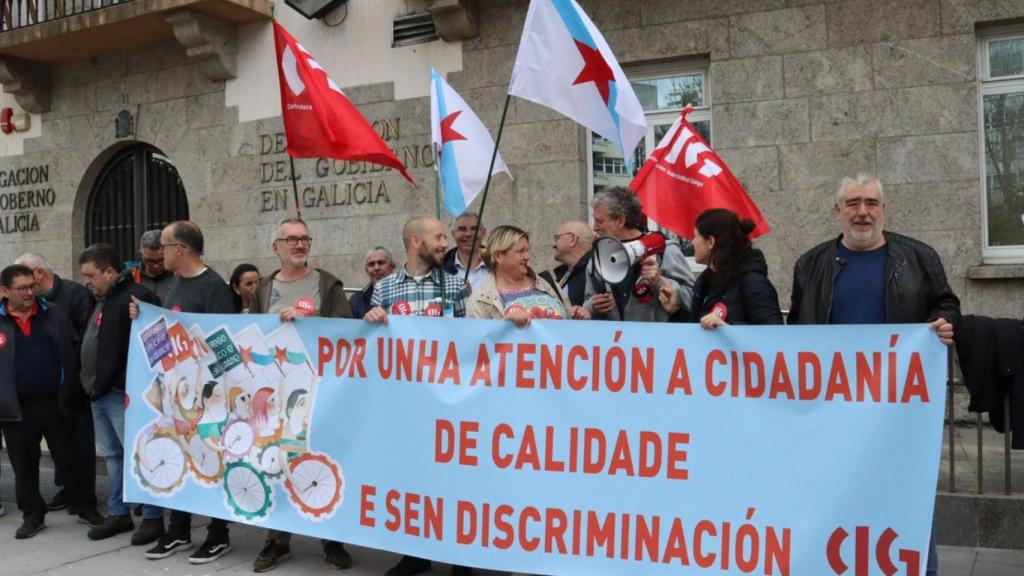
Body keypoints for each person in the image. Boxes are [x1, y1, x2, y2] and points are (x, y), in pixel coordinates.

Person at [789, 174, 959, 576]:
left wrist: (947, 322)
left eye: (871, 203)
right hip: (831, 409)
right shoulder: (810, 265)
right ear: (837, 211)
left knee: (909, 495)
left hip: (898, 412)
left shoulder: (919, 257)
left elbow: (946, 303)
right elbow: (795, 331)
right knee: (835, 494)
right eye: (852, 203)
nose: (862, 212)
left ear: (884, 209)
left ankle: (919, 569)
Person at [365, 216, 472, 576]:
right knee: (411, 479)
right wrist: (373, 318)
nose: (446, 243)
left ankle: (461, 560)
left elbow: (468, 345)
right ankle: (415, 555)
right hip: (405, 405)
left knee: (453, 482)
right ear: (415, 241)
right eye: (439, 237)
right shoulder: (386, 289)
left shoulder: (457, 286)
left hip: (446, 401)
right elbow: (376, 346)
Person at [249, 218, 353, 572]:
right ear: (275, 246)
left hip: (319, 393)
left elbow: (346, 330)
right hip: (275, 394)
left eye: (304, 238)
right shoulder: (263, 288)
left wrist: (308, 325)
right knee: (276, 464)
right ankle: (276, 542)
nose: (299, 244)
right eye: (291, 239)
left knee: (321, 464)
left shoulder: (326, 284)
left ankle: (332, 539)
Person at [129, 220, 236, 564]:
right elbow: (166, 326)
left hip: (209, 396)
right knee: (180, 458)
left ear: (180, 249)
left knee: (212, 462)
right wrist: (141, 316)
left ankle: (218, 535)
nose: (159, 252)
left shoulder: (214, 287)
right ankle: (178, 531)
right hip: (177, 393)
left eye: (164, 245)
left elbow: (224, 342)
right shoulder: (174, 284)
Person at [0, 265, 102, 539]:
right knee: (24, 464)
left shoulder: (53, 312)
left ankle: (85, 507)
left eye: (32, 286)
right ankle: (33, 515)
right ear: (4, 291)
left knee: (70, 458)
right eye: (22, 288)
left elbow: (73, 347)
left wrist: (73, 390)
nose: (29, 292)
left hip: (56, 402)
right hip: (16, 408)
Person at [76, 244, 166, 543]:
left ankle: (152, 517)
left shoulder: (136, 297)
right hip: (99, 393)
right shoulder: (100, 300)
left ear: (110, 271)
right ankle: (119, 513)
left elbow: (156, 338)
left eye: (91, 275)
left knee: (139, 454)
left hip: (121, 394)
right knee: (115, 456)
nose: (86, 281)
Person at [583, 187, 695, 322]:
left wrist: (660, 282)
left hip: (655, 342)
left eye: (599, 221)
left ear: (620, 221)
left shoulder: (664, 250)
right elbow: (588, 301)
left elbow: (692, 298)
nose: (595, 227)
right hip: (615, 342)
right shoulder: (598, 257)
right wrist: (591, 307)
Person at [663, 208, 783, 328]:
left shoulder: (753, 282)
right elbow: (698, 329)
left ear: (710, 242)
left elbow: (774, 336)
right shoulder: (705, 282)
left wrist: (727, 328)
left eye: (695, 236)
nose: (692, 242)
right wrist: (676, 311)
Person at [468, 225, 589, 324]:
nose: (528, 257)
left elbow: (569, 326)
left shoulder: (547, 282)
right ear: (498, 256)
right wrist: (504, 326)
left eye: (527, 250)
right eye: (521, 251)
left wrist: (577, 317)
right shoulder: (480, 300)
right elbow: (477, 345)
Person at [539, 220, 594, 307]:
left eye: (557, 238)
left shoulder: (596, 272)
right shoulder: (557, 274)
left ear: (573, 239)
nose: (554, 245)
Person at [442, 211, 488, 291]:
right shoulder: (441, 267)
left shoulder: (497, 264)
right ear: (453, 234)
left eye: (474, 229)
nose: (468, 234)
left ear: (483, 233)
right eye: (462, 229)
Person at [348, 247, 396, 319]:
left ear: (392, 267)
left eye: (381, 263)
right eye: (371, 264)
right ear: (367, 271)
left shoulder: (405, 293)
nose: (376, 268)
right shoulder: (357, 300)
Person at [134, 229, 174, 302]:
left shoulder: (179, 276)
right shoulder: (132, 277)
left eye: (161, 260)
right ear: (141, 254)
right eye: (150, 261)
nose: (156, 266)